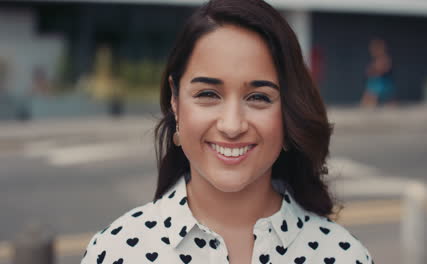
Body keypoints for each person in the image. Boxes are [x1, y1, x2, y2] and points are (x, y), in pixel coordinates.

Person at [81, 0, 374, 263]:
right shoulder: (115, 252)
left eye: (259, 97)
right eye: (208, 93)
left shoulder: (342, 255)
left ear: (288, 112)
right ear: (175, 100)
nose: (232, 126)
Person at [361, 38, 395, 107]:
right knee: (369, 96)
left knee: (384, 97)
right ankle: (367, 107)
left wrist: (376, 70)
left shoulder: (384, 58)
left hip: (382, 82)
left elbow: (384, 69)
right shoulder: (375, 60)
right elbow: (370, 71)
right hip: (375, 82)